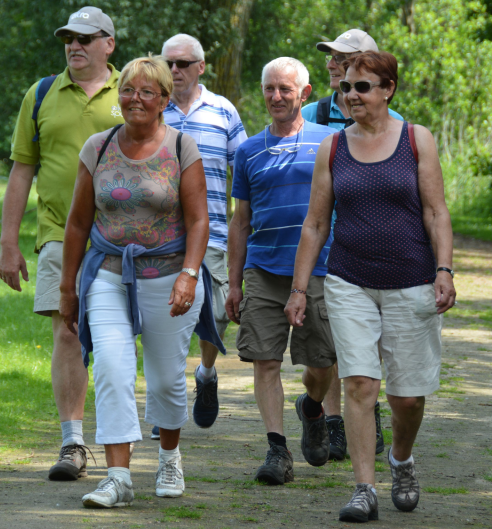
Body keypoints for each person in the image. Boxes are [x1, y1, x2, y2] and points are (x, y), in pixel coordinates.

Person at [285, 51, 455, 522]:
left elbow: (436, 211)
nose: (351, 95)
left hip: (412, 279)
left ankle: (401, 459)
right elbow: (315, 223)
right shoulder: (333, 147)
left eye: (362, 86)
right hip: (349, 280)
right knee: (360, 383)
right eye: (346, 87)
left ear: (388, 89)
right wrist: (299, 289)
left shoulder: (417, 140)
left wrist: (444, 269)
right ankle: (364, 488)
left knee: (407, 398)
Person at [60, 54, 222, 507]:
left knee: (166, 379)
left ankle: (169, 457)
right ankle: (118, 478)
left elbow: (199, 220)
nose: (135, 98)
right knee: (111, 370)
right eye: (128, 90)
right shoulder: (98, 147)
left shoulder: (181, 147)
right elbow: (77, 223)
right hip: (108, 274)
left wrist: (189, 274)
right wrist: (68, 287)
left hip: (170, 275)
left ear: (164, 100)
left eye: (146, 91)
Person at [0, 7, 122, 481]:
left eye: (86, 38)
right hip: (57, 234)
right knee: (67, 331)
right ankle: (72, 443)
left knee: (114, 341)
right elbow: (22, 170)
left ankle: (120, 438)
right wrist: (9, 243)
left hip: (122, 239)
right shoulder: (41, 93)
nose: (75, 45)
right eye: (69, 37)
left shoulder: (131, 89)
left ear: (109, 44)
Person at [225, 57, 337, 486]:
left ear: (304, 93)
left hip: (321, 270)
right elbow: (240, 222)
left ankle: (312, 407)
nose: (275, 96)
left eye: (284, 89)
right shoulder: (248, 151)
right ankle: (277, 449)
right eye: (269, 88)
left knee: (322, 363)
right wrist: (235, 283)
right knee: (264, 360)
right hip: (264, 269)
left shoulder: (330, 142)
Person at [302, 29, 404, 461]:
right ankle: (329, 419)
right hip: (321, 247)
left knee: (367, 343)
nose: (332, 64)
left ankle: (362, 412)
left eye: (343, 58)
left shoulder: (394, 121)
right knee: (328, 349)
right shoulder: (310, 114)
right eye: (331, 57)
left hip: (372, 251)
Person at [152, 34, 247, 435]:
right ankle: (164, 403)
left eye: (183, 63)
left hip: (214, 234)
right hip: (160, 236)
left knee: (219, 313)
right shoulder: (153, 108)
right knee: (161, 318)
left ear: (201, 67)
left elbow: (244, 170)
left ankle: (206, 373)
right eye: (169, 63)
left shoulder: (223, 111)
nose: (175, 70)